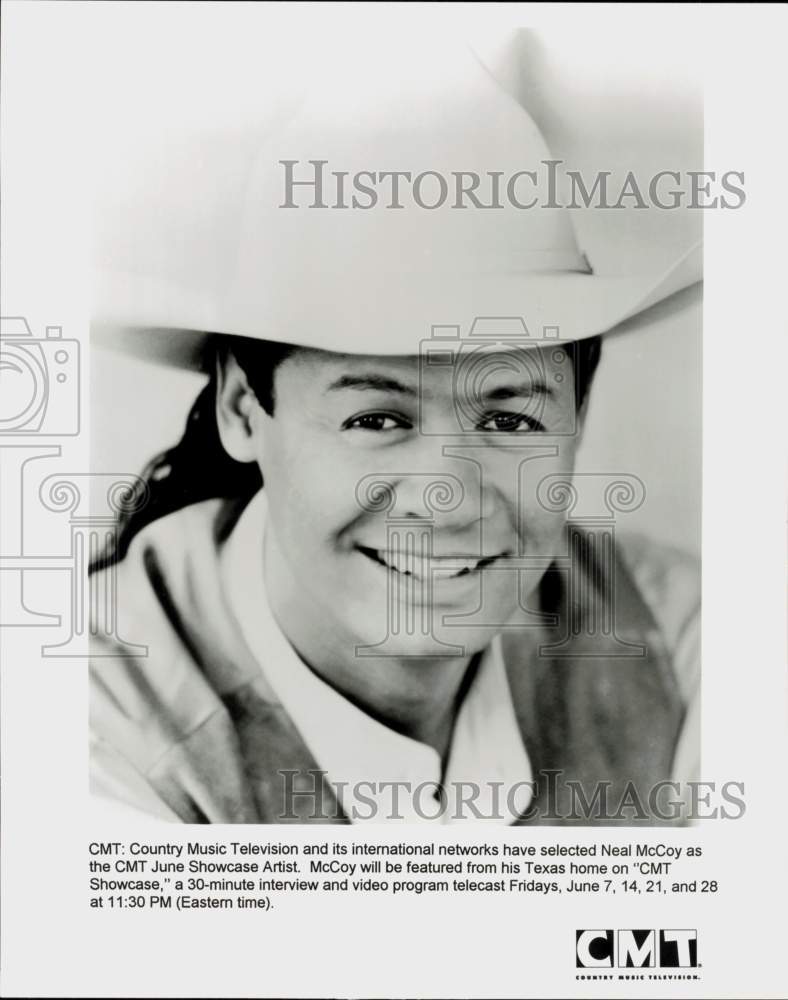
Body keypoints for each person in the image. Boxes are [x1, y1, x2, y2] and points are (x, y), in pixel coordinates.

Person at [89, 37, 701, 825]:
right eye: (376, 419)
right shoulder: (92, 728)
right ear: (245, 407)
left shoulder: (680, 641)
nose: (445, 503)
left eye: (510, 418)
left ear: (577, 416)